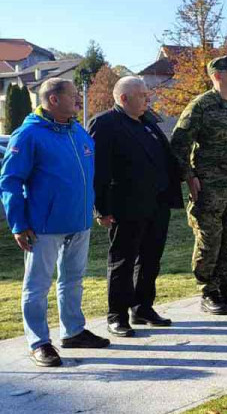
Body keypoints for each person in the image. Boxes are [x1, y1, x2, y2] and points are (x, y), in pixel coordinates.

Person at [1, 78, 110, 367]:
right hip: (43, 227)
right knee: (37, 286)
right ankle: (39, 342)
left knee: (73, 280)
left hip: (79, 222)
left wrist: (96, 210)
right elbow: (10, 181)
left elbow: (88, 178)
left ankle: (73, 331)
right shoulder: (28, 136)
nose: (79, 101)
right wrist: (18, 223)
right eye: (74, 97)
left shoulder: (78, 132)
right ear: (53, 100)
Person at [88, 76, 182, 337]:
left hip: (156, 204)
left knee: (151, 259)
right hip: (124, 206)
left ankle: (142, 307)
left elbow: (165, 157)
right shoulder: (105, 123)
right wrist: (101, 208)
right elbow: (98, 169)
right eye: (142, 95)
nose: (147, 99)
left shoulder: (147, 121)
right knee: (123, 261)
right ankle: (116, 315)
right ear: (123, 98)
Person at [170, 55, 227, 315]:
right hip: (210, 188)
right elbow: (179, 144)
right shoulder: (201, 106)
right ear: (217, 76)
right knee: (209, 240)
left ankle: (225, 286)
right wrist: (189, 175)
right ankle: (208, 290)